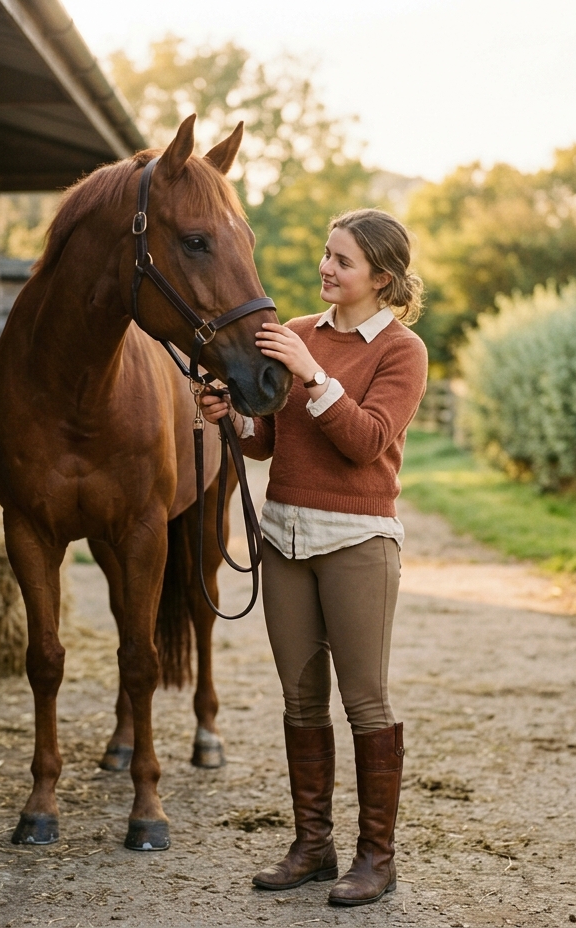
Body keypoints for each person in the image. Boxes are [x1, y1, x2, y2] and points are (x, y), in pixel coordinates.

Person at [201, 208, 428, 907]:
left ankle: (375, 858)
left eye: (343, 261)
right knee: (300, 699)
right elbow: (270, 440)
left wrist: (309, 374)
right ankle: (312, 845)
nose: (326, 268)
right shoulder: (294, 332)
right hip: (285, 536)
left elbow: (365, 442)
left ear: (380, 278)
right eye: (327, 255)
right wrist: (230, 419)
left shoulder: (401, 352)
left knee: (363, 701)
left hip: (358, 543)